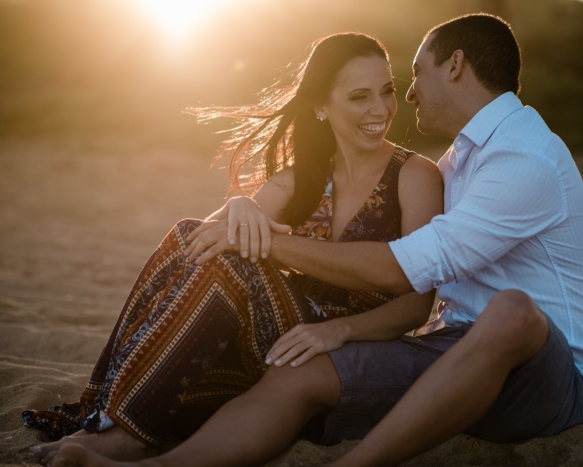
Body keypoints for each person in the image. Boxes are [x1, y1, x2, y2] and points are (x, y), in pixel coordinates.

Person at [51, 13, 583, 467]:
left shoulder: (522, 156)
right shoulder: (462, 157)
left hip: (548, 376)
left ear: (455, 66)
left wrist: (272, 249)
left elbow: (412, 271)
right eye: (367, 94)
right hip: (452, 347)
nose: (405, 97)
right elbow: (220, 230)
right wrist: (242, 211)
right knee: (299, 369)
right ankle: (147, 455)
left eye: (409, 77)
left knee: (512, 312)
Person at [24, 32, 443, 466]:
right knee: (189, 233)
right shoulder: (302, 178)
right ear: (321, 107)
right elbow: (202, 244)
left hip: (342, 341)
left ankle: (123, 431)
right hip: (279, 338)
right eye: (360, 97)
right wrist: (238, 204)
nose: (381, 109)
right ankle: (106, 418)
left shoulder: (414, 176)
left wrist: (341, 330)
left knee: (228, 264)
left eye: (387, 90)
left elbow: (417, 305)